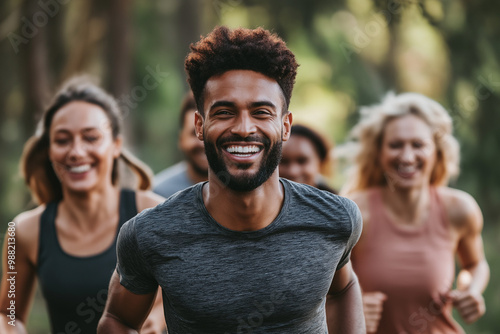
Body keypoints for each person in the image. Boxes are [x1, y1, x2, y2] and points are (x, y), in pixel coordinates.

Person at [98, 26, 365, 333]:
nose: (243, 127)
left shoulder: (335, 219)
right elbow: (118, 320)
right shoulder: (149, 235)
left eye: (261, 112)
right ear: (200, 125)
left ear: (285, 125)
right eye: (224, 112)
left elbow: (343, 288)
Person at [0, 77, 166, 334]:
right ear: (49, 150)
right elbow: (8, 313)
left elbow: (190, 297)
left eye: (90, 137)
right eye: (63, 140)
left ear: (116, 146)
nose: (76, 151)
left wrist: (158, 318)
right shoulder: (23, 231)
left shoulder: (154, 215)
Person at [342, 92, 490, 333]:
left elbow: (475, 264)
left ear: (436, 151)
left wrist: (471, 290)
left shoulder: (460, 210)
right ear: (378, 152)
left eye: (418, 144)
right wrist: (351, 308)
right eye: (395, 145)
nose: (407, 156)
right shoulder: (353, 213)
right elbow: (320, 286)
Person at [153, 91, 209, 198]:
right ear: (181, 139)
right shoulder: (159, 194)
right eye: (195, 133)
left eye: (209, 133)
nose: (203, 144)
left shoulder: (243, 192)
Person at [279, 124, 337, 193]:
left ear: (320, 162)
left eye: (302, 161)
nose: (293, 171)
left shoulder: (338, 202)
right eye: (283, 161)